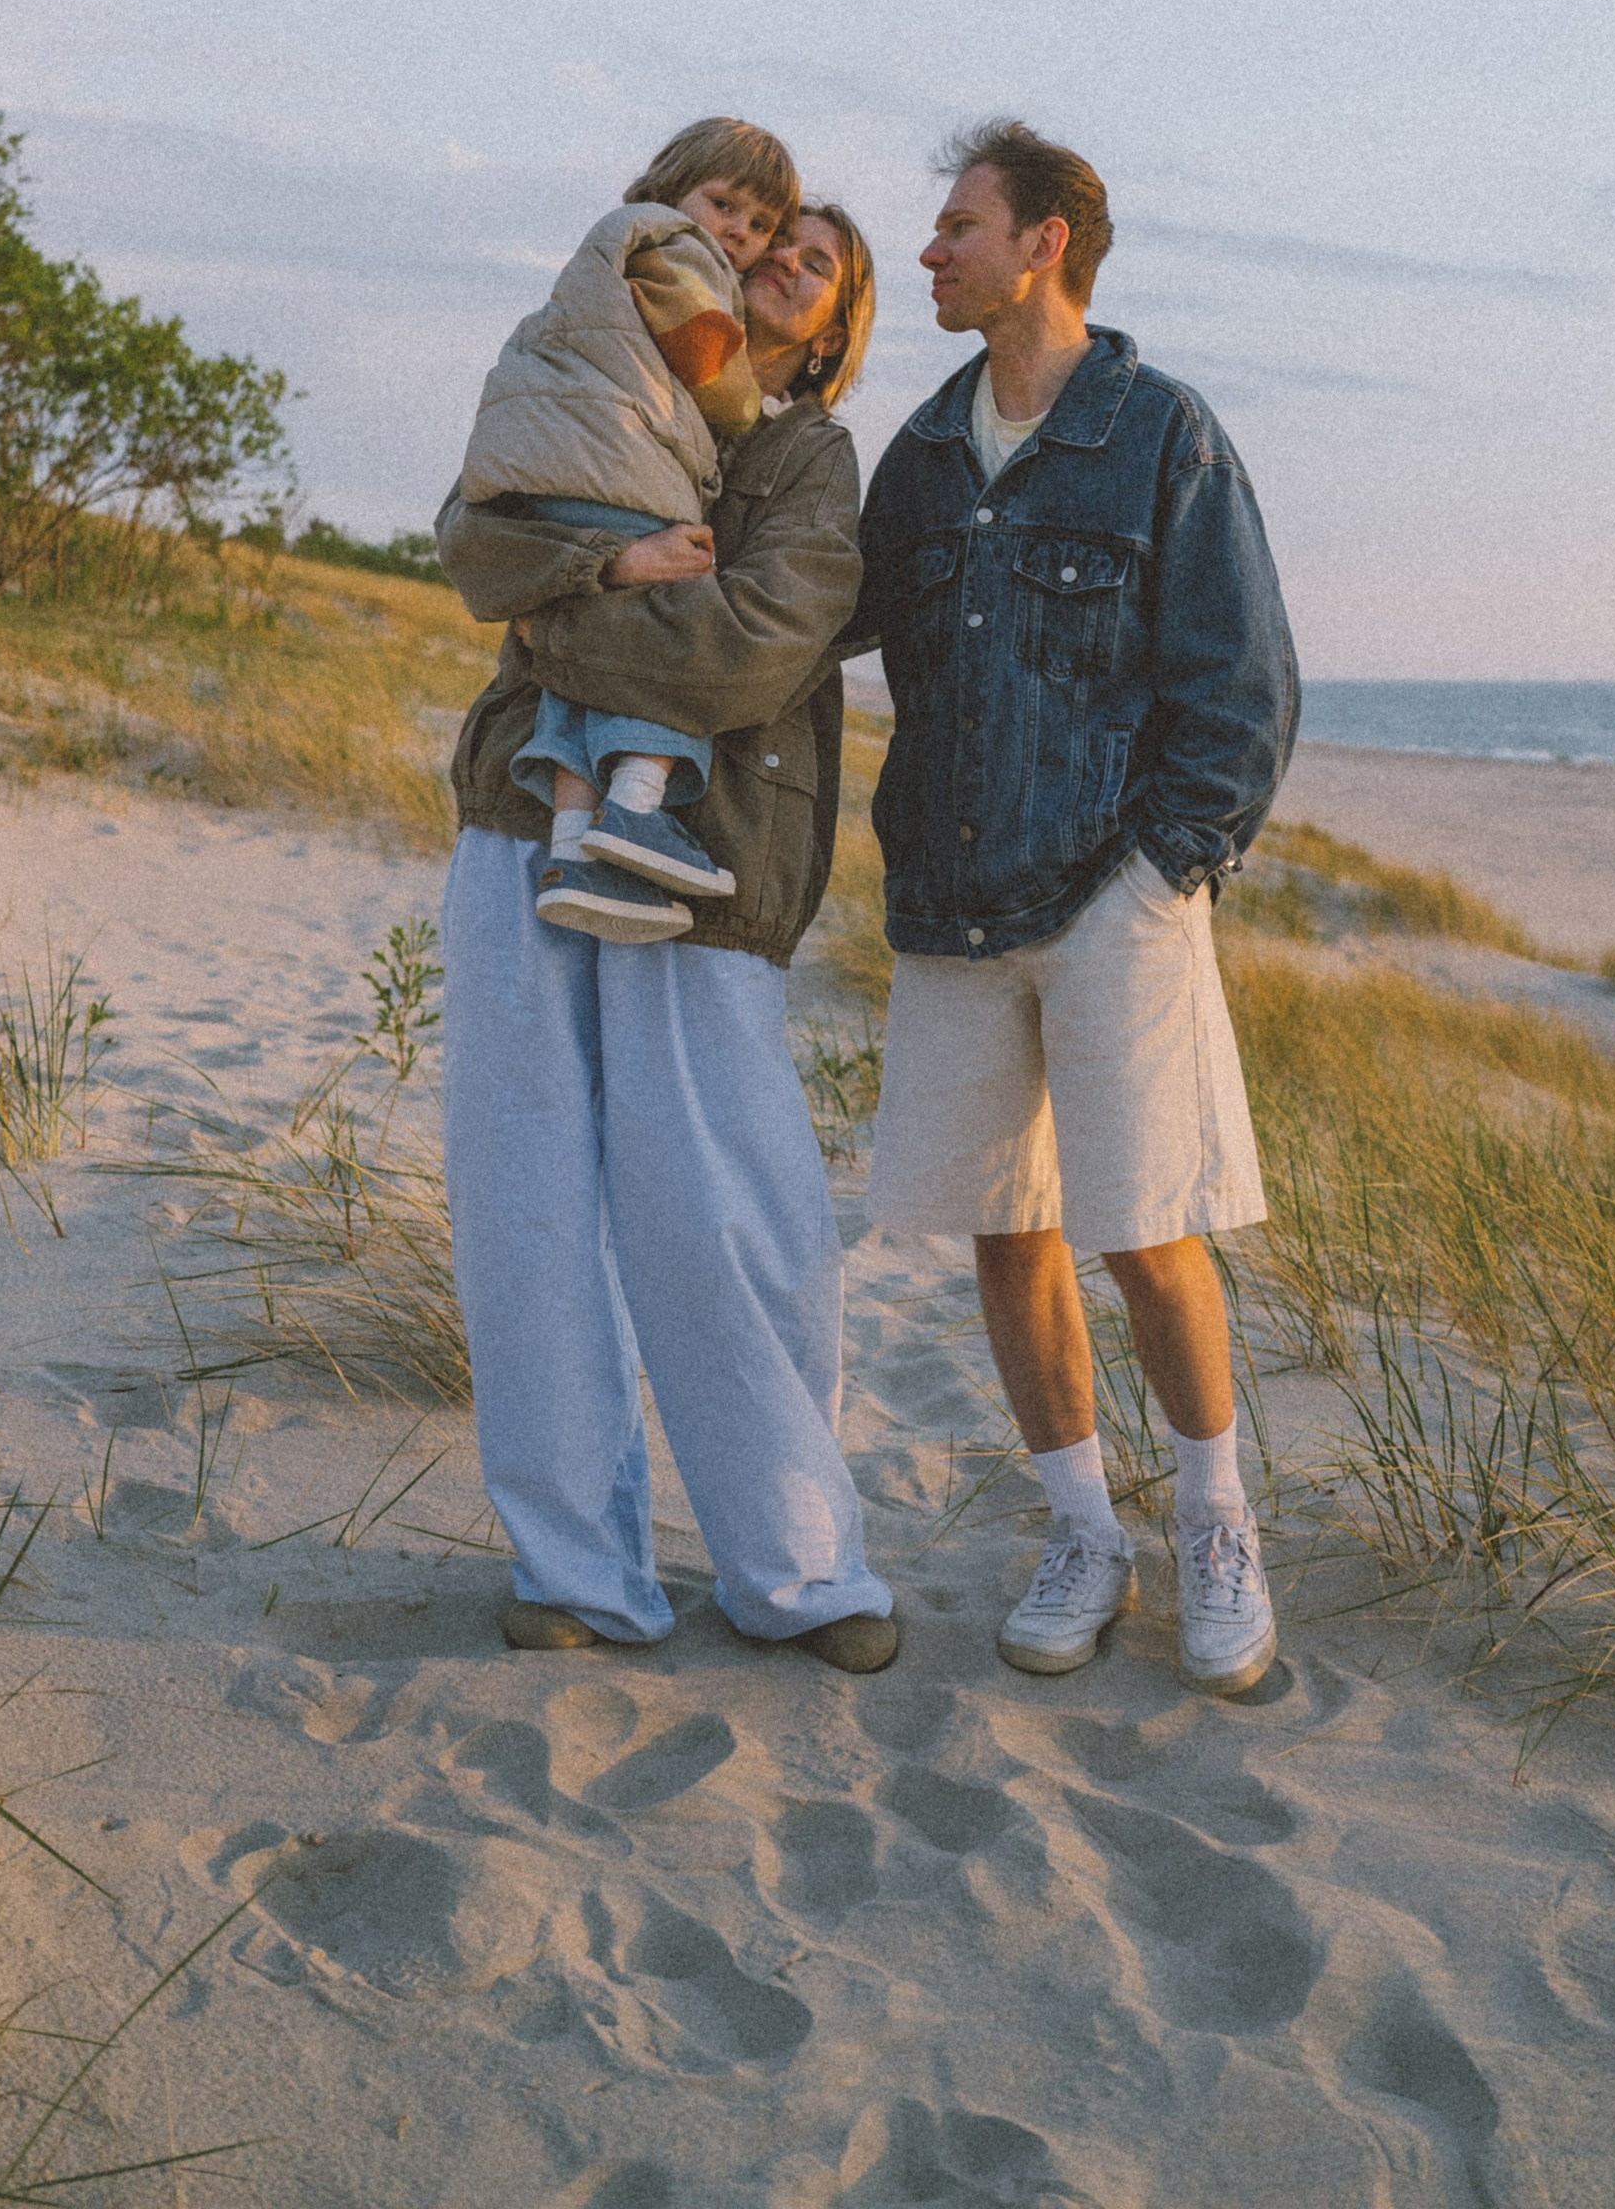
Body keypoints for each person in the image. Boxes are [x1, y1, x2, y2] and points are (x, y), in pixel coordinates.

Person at [855, 120, 1298, 1695]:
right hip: (955, 908)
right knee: (1009, 1230)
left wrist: (1160, 874)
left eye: (958, 225)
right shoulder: (920, 452)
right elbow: (811, 619)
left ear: (1045, 242)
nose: (929, 251)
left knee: (1149, 1233)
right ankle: (1083, 1534)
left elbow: (1244, 685)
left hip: (1115, 902)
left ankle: (1217, 1526)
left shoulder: (1160, 430)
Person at [435, 201, 900, 1672]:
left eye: (816, 264)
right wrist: (597, 574)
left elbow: (755, 644)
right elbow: (470, 544)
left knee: (730, 1221)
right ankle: (575, 1574)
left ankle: (798, 1570)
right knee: (524, 1210)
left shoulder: (807, 458)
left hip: (713, 865)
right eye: (766, 244)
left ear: (834, 330)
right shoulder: (599, 388)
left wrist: (562, 612)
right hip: (522, 826)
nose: (780, 264)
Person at [455, 116, 800, 935]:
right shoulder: (673, 248)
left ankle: (573, 845)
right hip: (617, 478)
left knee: (580, 680)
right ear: (672, 188)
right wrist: (750, 409)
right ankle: (637, 807)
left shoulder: (598, 264)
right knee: (666, 633)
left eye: (760, 225)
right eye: (725, 204)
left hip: (555, 484)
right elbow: (708, 361)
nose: (739, 234)